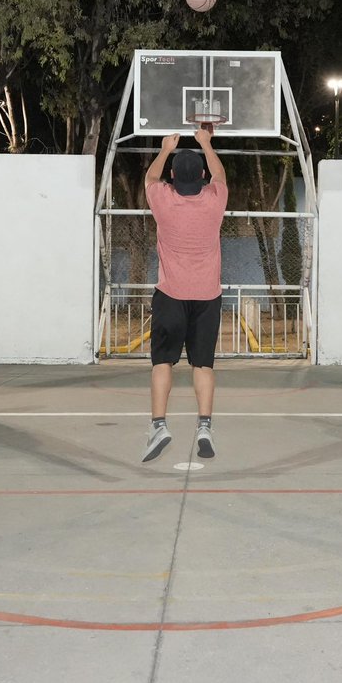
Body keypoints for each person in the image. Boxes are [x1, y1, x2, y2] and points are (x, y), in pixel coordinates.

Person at [141, 129, 227, 462]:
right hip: (207, 296)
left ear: (173, 176)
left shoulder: (162, 199)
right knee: (203, 364)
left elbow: (150, 176)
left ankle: (158, 425)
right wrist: (206, 142)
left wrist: (165, 149)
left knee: (163, 361)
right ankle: (205, 425)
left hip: (171, 295)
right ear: (202, 176)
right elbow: (220, 174)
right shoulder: (214, 200)